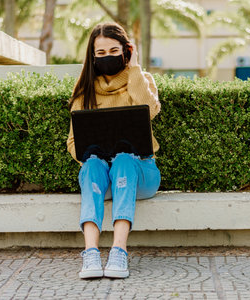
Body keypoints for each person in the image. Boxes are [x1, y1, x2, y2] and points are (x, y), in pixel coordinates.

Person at [67, 22, 161, 279]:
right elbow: (73, 143)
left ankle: (119, 251)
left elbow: (150, 111)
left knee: (123, 159)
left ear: (126, 50)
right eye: (101, 53)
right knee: (92, 165)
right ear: (92, 56)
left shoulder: (141, 79)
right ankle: (91, 254)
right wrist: (91, 152)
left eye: (114, 50)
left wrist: (135, 68)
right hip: (103, 178)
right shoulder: (83, 92)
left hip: (141, 171)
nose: (107, 57)